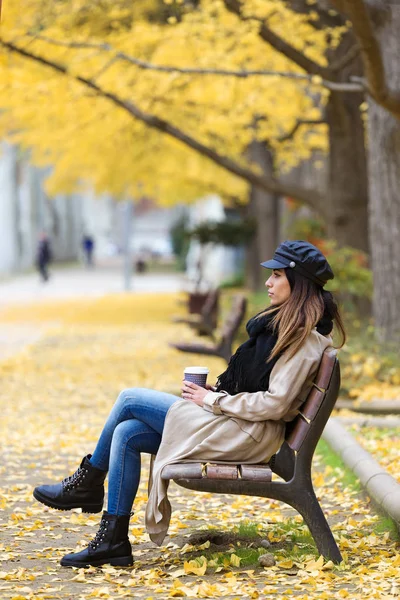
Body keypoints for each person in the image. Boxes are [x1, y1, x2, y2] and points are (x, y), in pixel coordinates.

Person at [33, 240, 346, 568]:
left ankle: (88, 482)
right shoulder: (286, 329)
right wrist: (220, 396)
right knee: (126, 433)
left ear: (298, 285)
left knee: (128, 399)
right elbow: (266, 391)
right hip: (239, 426)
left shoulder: (306, 341)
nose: (268, 282)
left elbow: (277, 404)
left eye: (277, 275)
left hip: (247, 435)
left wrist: (212, 399)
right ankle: (112, 541)